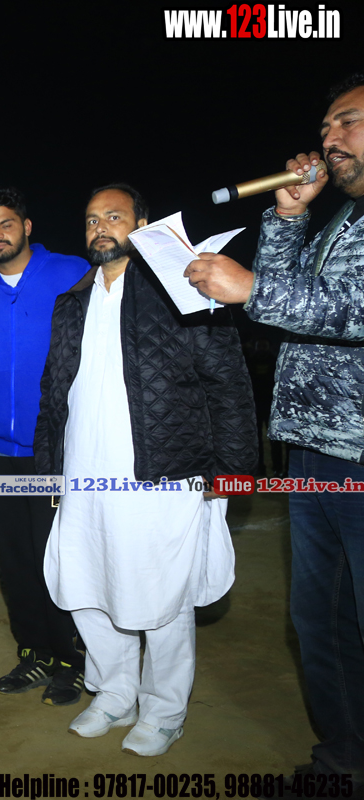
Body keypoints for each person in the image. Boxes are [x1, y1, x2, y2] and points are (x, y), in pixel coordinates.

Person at [184, 73, 364, 782]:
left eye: (347, 122)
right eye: (325, 127)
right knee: (322, 620)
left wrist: (251, 286)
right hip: (316, 450)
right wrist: (289, 218)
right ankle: (342, 762)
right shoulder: (345, 220)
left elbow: (348, 308)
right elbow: (290, 304)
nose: (328, 139)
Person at [37, 184, 255, 757]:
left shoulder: (182, 288)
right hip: (84, 475)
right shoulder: (71, 302)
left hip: (163, 469)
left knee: (161, 594)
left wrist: (233, 468)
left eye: (114, 216)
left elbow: (227, 381)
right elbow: (53, 393)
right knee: (88, 585)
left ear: (142, 224)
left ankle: (165, 711)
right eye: (91, 219)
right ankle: (114, 693)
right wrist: (50, 469)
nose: (100, 228)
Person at [0, 188, 91, 705]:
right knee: (16, 558)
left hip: (56, 447)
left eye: (6, 224)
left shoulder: (73, 272)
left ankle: (73, 660)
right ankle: (34, 653)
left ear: (27, 226)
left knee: (58, 556)